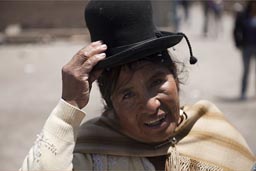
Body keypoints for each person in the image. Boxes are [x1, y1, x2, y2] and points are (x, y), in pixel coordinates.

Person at [20, 0, 256, 170]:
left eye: (157, 82)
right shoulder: (89, 155)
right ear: (109, 102)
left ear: (176, 77)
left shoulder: (213, 133)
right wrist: (67, 109)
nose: (151, 105)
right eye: (127, 94)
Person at [233, 0, 256, 100]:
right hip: (246, 47)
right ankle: (243, 92)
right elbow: (236, 30)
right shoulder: (243, 15)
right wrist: (238, 43)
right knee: (246, 71)